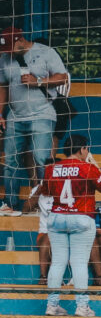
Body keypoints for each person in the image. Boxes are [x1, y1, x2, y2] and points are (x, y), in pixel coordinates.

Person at [0, 27, 69, 216]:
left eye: (10, 48)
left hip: (42, 114)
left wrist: (37, 81)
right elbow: (3, 86)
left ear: (20, 40)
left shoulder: (46, 52)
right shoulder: (5, 59)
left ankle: (47, 203)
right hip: (15, 116)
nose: (8, 54)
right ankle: (9, 204)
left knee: (41, 159)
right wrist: (0, 113)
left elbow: (62, 77)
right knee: (10, 161)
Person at [41, 133, 101, 318]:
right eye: (87, 149)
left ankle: (52, 305)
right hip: (81, 217)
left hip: (57, 217)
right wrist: (93, 162)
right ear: (82, 149)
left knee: (57, 262)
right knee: (79, 263)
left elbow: (45, 191)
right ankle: (82, 307)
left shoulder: (51, 168)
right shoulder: (88, 168)